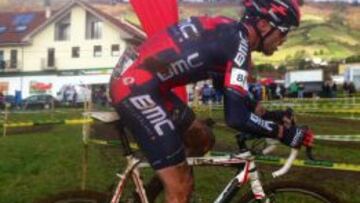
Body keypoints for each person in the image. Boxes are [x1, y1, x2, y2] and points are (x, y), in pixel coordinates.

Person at [110, 0, 314, 202]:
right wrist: (283, 133)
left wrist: (271, 116)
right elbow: (236, 118)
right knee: (181, 186)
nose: (284, 40)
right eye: (284, 31)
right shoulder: (237, 43)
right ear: (263, 24)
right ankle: (171, 187)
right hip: (135, 88)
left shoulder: (231, 34)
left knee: (202, 139)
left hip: (147, 85)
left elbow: (227, 90)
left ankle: (149, 195)